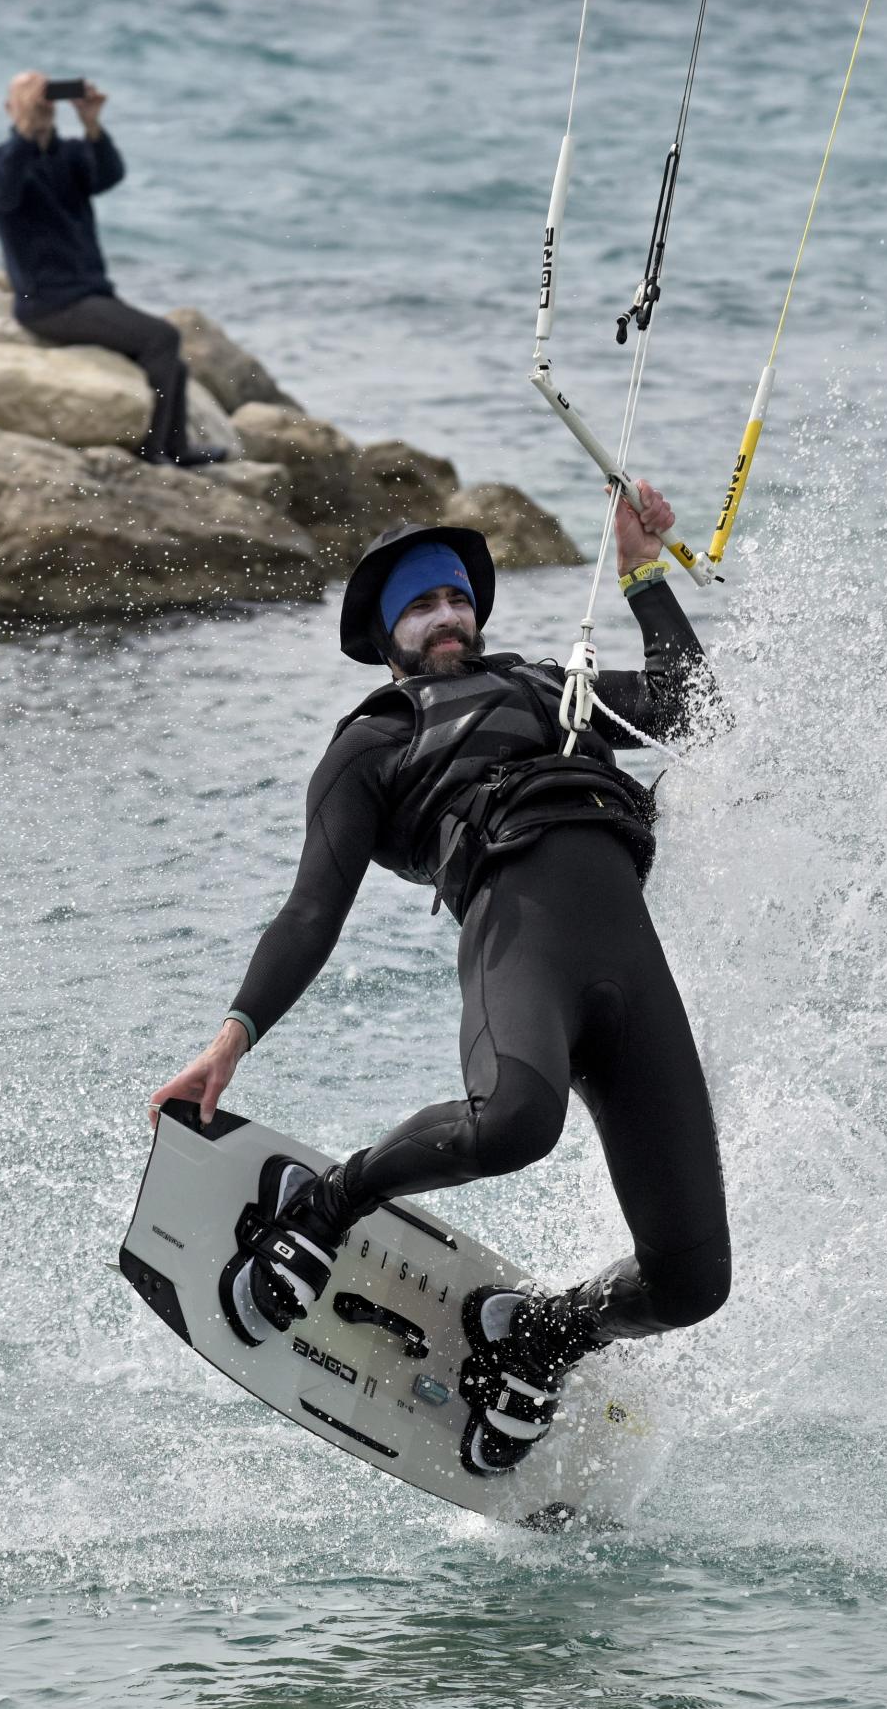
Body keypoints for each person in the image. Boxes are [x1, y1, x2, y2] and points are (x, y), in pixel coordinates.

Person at [147, 484, 730, 1480]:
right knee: (513, 1123)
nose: (448, 616)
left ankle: (542, 1335)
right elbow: (308, 914)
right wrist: (231, 1036)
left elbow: (700, 703)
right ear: (388, 637)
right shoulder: (370, 745)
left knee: (691, 1282)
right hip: (521, 936)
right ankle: (330, 1206)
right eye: (421, 607)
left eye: (457, 598)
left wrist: (639, 569)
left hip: (630, 966)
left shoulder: (553, 688)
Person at [0, 71, 224, 469]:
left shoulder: (71, 156)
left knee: (169, 360)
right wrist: (24, 132)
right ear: (9, 109)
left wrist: (91, 123)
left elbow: (109, 175)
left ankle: (177, 448)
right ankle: (153, 453)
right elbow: (4, 196)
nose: (40, 108)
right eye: (27, 99)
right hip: (47, 302)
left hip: (88, 294)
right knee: (162, 337)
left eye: (44, 101)